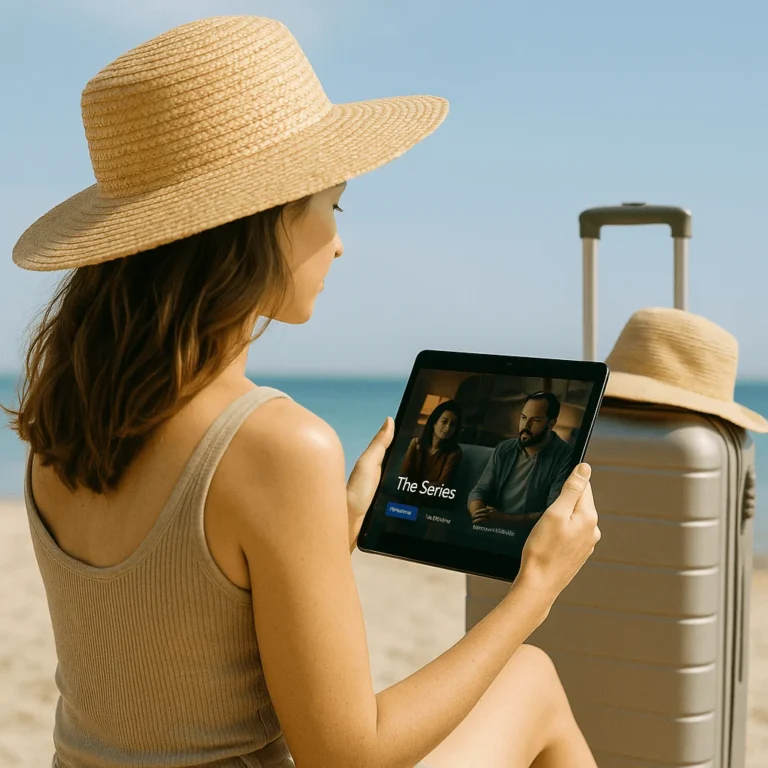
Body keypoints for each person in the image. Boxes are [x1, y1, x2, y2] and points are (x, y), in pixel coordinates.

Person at [5, 16, 600, 768]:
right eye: (332, 206)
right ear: (261, 224)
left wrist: (329, 527)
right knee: (531, 674)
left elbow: (171, 642)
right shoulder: (276, 445)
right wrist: (534, 590)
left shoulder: (62, 424)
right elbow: (348, 755)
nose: (340, 240)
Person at [468, 392, 574, 529]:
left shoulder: (565, 456)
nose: (526, 426)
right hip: (492, 527)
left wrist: (505, 520)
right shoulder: (505, 449)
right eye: (523, 418)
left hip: (528, 537)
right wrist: (478, 514)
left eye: (535, 420)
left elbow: (553, 512)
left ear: (551, 424)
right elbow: (480, 490)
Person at [399, 399, 463, 488]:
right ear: (434, 422)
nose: (447, 428)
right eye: (444, 422)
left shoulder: (454, 452)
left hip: (433, 498)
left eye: (452, 425)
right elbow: (403, 475)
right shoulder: (416, 443)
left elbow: (442, 484)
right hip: (407, 494)